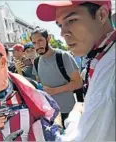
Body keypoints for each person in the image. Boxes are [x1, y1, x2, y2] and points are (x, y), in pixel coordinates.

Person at [36, 0, 115, 141]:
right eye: (60, 25)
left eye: (71, 20)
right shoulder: (100, 57)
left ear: (102, 15)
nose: (63, 33)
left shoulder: (110, 68)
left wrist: (73, 116)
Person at [31, 26, 82, 128]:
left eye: (40, 40)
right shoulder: (36, 62)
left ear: (48, 38)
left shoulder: (63, 56)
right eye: (34, 43)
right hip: (49, 114)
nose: (38, 45)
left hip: (68, 112)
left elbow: (78, 83)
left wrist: (55, 90)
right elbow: (39, 84)